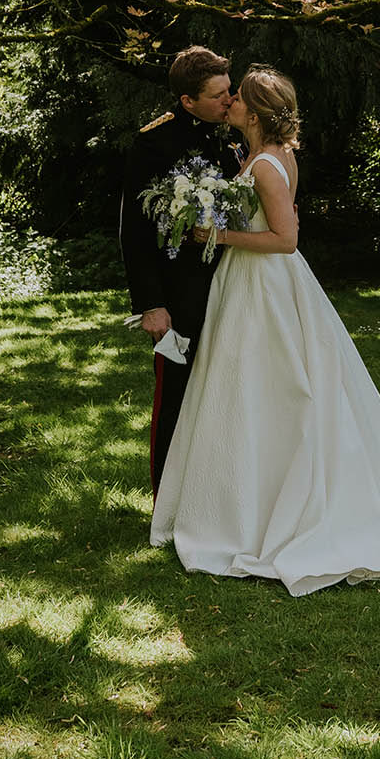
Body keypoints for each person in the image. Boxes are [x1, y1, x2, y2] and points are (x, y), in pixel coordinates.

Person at [151, 66, 380, 596]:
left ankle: (272, 510)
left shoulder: (269, 167)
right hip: (249, 285)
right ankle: (239, 501)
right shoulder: (256, 157)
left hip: (268, 286)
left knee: (276, 387)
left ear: (253, 113)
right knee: (246, 389)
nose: (227, 103)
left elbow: (285, 240)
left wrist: (219, 233)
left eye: (236, 100)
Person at [119, 45, 244, 497]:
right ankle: (167, 499)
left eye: (230, 90)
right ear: (188, 101)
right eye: (218, 95)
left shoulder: (237, 134)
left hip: (237, 282)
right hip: (180, 289)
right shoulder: (154, 143)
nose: (230, 100)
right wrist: (150, 304)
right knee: (177, 393)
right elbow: (134, 232)